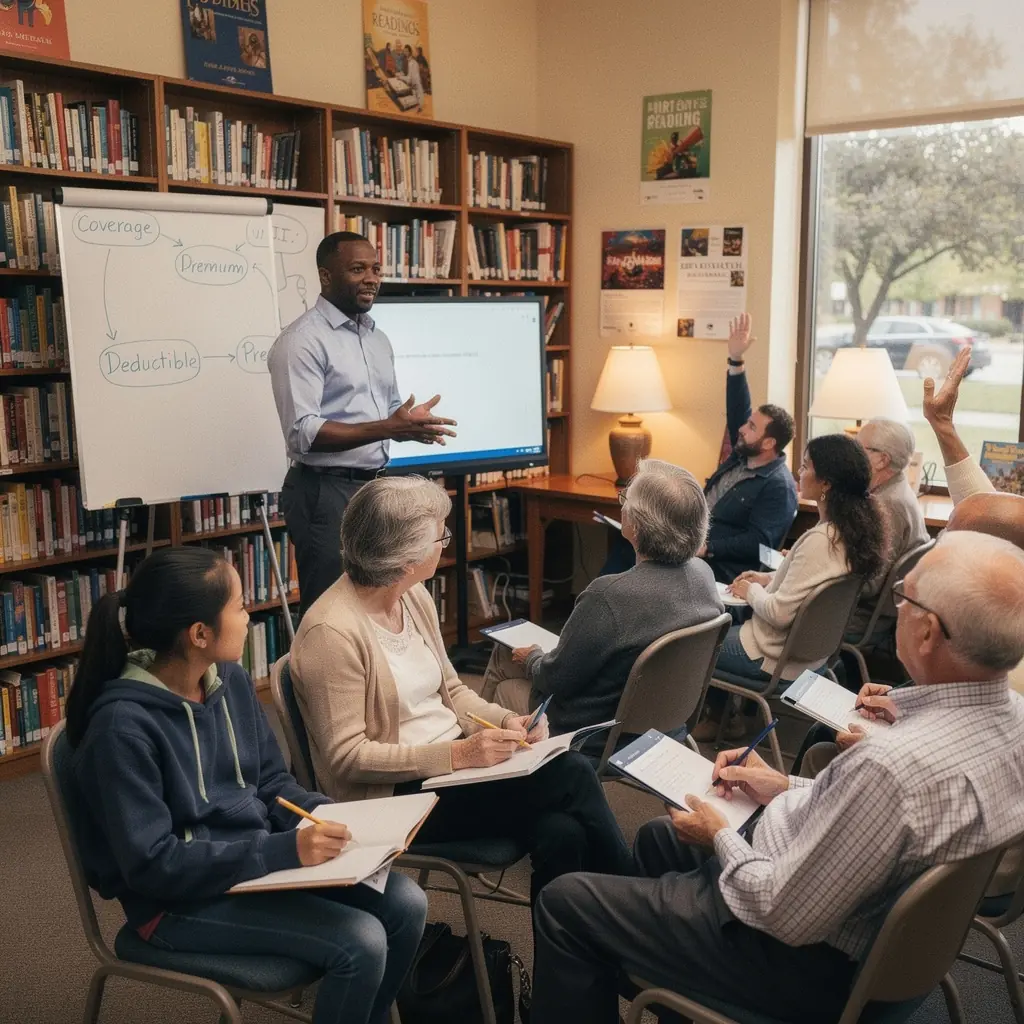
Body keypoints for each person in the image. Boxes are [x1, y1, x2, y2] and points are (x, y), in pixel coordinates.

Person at [529, 530, 1024, 1024]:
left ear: (927, 633)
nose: (898, 607)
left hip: (797, 961)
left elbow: (781, 912)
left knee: (565, 904)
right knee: (660, 840)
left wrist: (721, 836)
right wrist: (784, 786)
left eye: (904, 597)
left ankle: (649, 966)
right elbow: (892, 818)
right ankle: (664, 982)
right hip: (869, 940)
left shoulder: (889, 766)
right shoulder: (1014, 722)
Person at [66, 547, 427, 1024]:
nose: (248, 614)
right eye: (238, 607)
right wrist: (281, 852)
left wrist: (333, 817)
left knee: (406, 903)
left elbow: (270, 782)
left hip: (250, 868)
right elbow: (154, 865)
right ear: (199, 634)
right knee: (359, 942)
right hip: (173, 903)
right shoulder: (121, 729)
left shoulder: (229, 681)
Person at [289, 475, 633, 905]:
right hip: (396, 796)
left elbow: (451, 691)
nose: (446, 543)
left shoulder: (413, 598)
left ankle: (575, 967)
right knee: (573, 772)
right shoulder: (331, 632)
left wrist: (505, 720)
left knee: (562, 833)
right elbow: (347, 758)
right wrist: (459, 756)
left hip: (454, 771)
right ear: (404, 556)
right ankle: (640, 901)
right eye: (440, 535)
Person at [267, 231, 457, 617]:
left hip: (376, 488)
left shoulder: (377, 338)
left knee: (378, 602)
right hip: (325, 492)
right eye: (357, 269)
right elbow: (303, 433)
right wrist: (389, 427)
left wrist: (410, 424)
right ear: (325, 276)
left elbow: (387, 409)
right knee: (330, 610)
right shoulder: (301, 341)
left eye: (375, 268)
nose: (371, 278)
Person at [479, 459, 723, 734]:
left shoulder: (608, 596)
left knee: (504, 673)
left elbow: (554, 679)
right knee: (511, 656)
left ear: (638, 525)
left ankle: (481, 758)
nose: (622, 507)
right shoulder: (704, 575)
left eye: (624, 501)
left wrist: (534, 657)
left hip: (592, 732)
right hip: (667, 726)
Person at [693, 433, 887, 740]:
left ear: (826, 484)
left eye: (807, 466)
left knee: (697, 640)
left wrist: (750, 591)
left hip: (773, 658)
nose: (799, 471)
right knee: (725, 625)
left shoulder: (820, 540)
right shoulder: (851, 533)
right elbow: (812, 580)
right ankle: (727, 718)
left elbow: (780, 613)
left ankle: (718, 721)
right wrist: (768, 579)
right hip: (814, 656)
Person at [600, 314, 798, 581]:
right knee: (628, 544)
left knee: (638, 559)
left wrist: (708, 548)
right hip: (687, 541)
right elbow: (738, 410)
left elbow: (761, 544)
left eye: (751, 427)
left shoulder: (778, 485)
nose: (742, 429)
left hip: (718, 564)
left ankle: (609, 615)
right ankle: (604, 614)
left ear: (769, 443)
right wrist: (736, 359)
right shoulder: (743, 456)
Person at [845, 417, 928, 643]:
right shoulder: (896, 490)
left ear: (882, 460)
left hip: (862, 617)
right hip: (880, 611)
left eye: (857, 447)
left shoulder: (887, 506)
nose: (850, 453)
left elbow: (869, 585)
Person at [398, 44, 425, 111]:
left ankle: (419, 107)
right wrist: (401, 74)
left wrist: (401, 77)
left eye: (406, 51)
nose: (405, 52)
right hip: (411, 83)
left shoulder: (413, 62)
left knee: (417, 97)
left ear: (410, 52)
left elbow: (410, 78)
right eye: (404, 51)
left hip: (414, 83)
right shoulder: (405, 60)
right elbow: (405, 71)